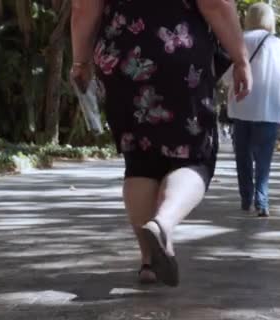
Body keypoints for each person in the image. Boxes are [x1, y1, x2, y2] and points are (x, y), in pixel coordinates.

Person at [70, 0, 252, 286]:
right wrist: (241, 59)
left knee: (140, 159)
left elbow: (83, 6)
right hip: (178, 51)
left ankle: (150, 262)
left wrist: (80, 60)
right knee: (194, 156)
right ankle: (163, 222)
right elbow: (216, 4)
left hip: (121, 56)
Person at [223, 2, 280, 217]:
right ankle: (262, 201)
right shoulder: (276, 44)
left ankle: (246, 199)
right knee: (263, 160)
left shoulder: (239, 40)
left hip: (241, 109)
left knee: (242, 157)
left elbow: (227, 77)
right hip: (269, 111)